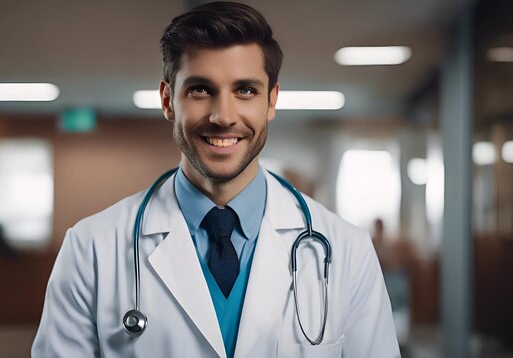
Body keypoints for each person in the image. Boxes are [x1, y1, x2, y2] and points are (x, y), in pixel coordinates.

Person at [32, 2, 400, 357]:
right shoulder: (92, 249)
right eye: (200, 89)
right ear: (167, 100)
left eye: (245, 90)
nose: (223, 116)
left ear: (271, 101)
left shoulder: (347, 251)